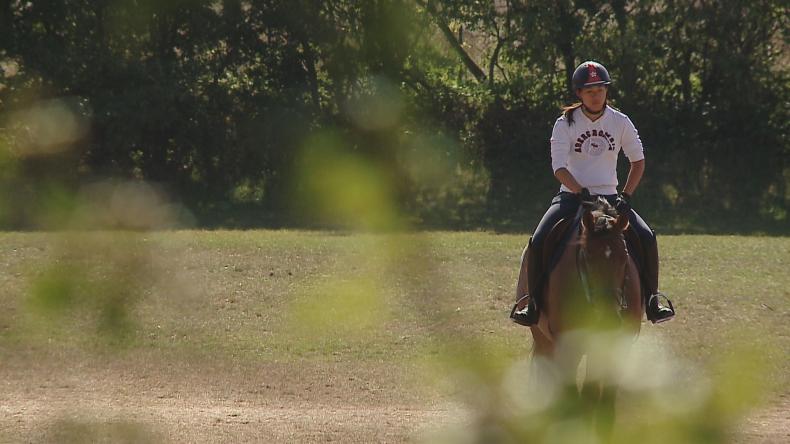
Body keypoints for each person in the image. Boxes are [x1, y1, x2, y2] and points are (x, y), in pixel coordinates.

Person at [511, 60, 675, 326]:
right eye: (589, 91)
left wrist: (626, 195)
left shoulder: (620, 121)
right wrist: (579, 191)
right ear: (579, 94)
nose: (596, 95)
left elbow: (638, 161)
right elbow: (559, 167)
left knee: (646, 237)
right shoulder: (565, 123)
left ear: (607, 91)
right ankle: (533, 305)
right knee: (538, 240)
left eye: (600, 89)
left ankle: (652, 302)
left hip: (611, 199)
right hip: (571, 196)